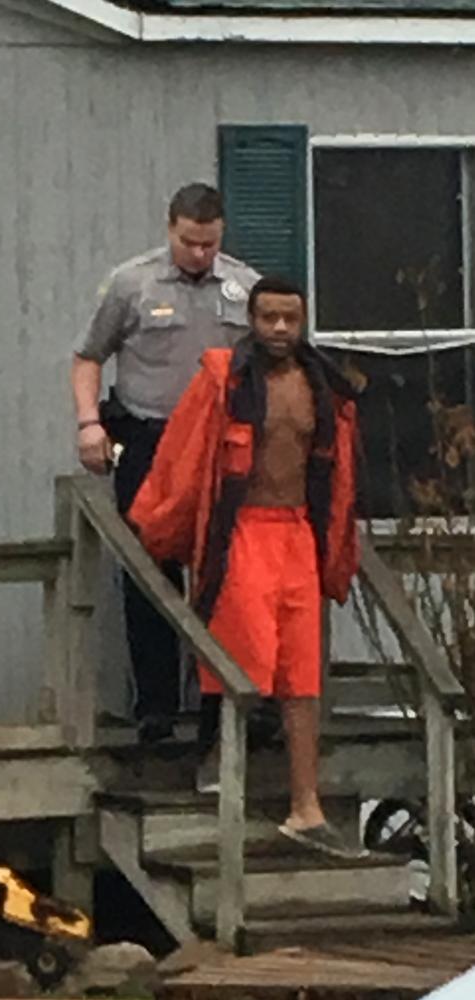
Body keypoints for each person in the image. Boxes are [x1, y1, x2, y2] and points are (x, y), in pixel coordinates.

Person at [128, 276, 363, 857]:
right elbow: (181, 459)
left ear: (303, 322)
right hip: (243, 530)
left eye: (290, 318)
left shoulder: (323, 388)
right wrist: (160, 526)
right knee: (241, 657)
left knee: (302, 670)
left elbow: (338, 477)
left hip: (298, 534)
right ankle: (218, 770)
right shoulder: (221, 381)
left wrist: (334, 546)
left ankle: (305, 808)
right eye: (269, 318)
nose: (279, 329)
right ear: (251, 322)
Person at [71, 183, 259, 743]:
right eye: (188, 242)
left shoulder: (245, 286)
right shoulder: (133, 283)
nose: (198, 254)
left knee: (221, 570)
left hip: (219, 442)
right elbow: (87, 358)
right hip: (150, 434)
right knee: (149, 567)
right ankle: (153, 704)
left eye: (208, 243)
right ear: (169, 229)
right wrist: (89, 425)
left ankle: (216, 703)